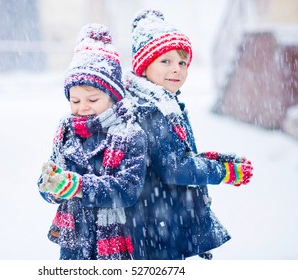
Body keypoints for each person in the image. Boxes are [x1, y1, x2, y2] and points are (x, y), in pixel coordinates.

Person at [123, 9, 254, 260]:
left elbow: (174, 154)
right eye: (166, 61)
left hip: (160, 216)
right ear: (143, 65)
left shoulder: (164, 101)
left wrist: (212, 159)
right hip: (156, 222)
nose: (177, 70)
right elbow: (174, 169)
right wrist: (224, 172)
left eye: (182, 62)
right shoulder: (151, 109)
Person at [37, 23, 147, 260]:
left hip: (115, 240)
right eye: (74, 101)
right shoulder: (66, 132)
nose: (82, 107)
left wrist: (78, 187)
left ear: (113, 97)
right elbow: (50, 178)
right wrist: (51, 186)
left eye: (92, 99)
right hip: (74, 239)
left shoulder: (129, 134)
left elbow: (127, 189)